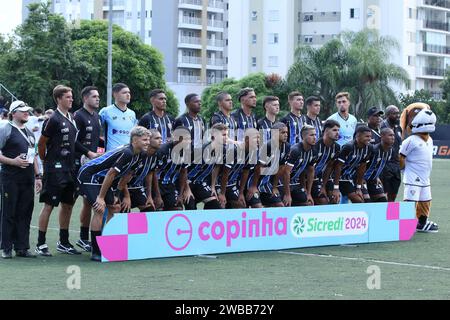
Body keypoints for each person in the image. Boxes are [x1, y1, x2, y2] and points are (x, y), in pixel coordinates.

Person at [77, 126, 151, 261]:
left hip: (104, 178)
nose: (148, 142)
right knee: (99, 209)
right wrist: (100, 197)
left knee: (115, 207)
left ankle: (108, 243)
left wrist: (117, 193)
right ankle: (96, 250)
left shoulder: (141, 154)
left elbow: (127, 176)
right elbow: (111, 174)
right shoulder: (127, 152)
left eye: (148, 139)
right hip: (90, 175)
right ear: (134, 140)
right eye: (145, 139)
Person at [36, 85, 79, 256]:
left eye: (71, 96)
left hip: (70, 168)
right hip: (55, 170)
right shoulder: (52, 119)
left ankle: (64, 242)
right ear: (59, 99)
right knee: (49, 205)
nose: (71, 99)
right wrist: (46, 161)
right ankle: (40, 243)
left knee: (68, 205)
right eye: (68, 97)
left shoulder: (71, 117)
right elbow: (41, 143)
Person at [0, 101, 41, 259]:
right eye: (23, 111)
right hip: (10, 178)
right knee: (8, 212)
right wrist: (13, 161)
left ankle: (22, 247)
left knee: (25, 212)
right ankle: (6, 247)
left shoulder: (30, 133)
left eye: (27, 111)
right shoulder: (5, 129)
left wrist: (38, 176)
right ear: (13, 113)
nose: (26, 113)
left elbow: (34, 156)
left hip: (27, 178)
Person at [72, 86, 103, 252]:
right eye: (94, 96)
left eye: (98, 96)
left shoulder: (96, 116)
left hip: (91, 165)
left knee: (88, 202)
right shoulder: (78, 116)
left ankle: (83, 238)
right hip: (78, 163)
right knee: (70, 202)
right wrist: (88, 152)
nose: (97, 99)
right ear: (85, 98)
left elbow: (97, 140)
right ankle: (67, 239)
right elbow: (73, 140)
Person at [400, 109, 438, 233]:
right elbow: (401, 157)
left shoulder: (430, 140)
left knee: (425, 201)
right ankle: (405, 225)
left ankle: (421, 223)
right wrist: (403, 169)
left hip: (425, 177)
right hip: (412, 177)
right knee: (411, 201)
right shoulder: (411, 140)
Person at [185, 123, 228, 210]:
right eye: (224, 135)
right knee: (190, 205)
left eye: (227, 135)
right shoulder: (200, 150)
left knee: (215, 205)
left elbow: (216, 167)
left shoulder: (223, 150)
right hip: (187, 183)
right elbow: (183, 169)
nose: (226, 137)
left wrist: (212, 186)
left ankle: (206, 222)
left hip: (201, 183)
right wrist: (187, 189)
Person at [118, 129, 162, 212]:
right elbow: (124, 176)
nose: (160, 140)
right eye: (157, 138)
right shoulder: (137, 154)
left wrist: (149, 196)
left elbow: (150, 174)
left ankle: (138, 225)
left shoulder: (156, 155)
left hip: (137, 187)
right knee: (125, 210)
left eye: (160, 138)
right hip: (124, 187)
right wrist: (126, 197)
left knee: (149, 209)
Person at [153, 127, 192, 211]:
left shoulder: (186, 152)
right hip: (156, 184)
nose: (188, 142)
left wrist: (180, 194)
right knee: (157, 208)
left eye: (189, 139)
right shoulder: (162, 150)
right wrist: (157, 195)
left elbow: (183, 172)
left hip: (170, 184)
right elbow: (154, 173)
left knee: (178, 208)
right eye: (184, 139)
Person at [219, 128, 259, 209]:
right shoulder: (234, 150)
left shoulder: (253, 152)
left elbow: (245, 172)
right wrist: (222, 194)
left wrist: (241, 193)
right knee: (220, 205)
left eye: (259, 138)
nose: (258, 141)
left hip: (232, 184)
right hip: (219, 184)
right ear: (247, 139)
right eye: (256, 138)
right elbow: (225, 173)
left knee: (241, 206)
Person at [334, 125, 373, 204]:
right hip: (341, 178)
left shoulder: (369, 148)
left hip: (352, 177)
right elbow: (338, 167)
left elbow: (362, 167)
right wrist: (336, 187)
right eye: (367, 136)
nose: (369, 139)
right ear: (358, 136)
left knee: (366, 200)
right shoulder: (348, 147)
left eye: (370, 136)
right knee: (358, 200)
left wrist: (358, 187)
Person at [282, 125, 317, 207]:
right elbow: (285, 173)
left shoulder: (314, 151)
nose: (315, 137)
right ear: (303, 137)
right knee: (285, 203)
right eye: (311, 135)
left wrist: (308, 193)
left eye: (315, 135)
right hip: (282, 182)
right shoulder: (295, 150)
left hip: (295, 182)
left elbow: (310, 172)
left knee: (308, 203)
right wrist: (287, 194)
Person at [257, 122, 290, 208]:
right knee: (257, 206)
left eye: (287, 132)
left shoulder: (287, 147)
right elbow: (258, 168)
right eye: (283, 132)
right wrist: (253, 186)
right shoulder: (267, 146)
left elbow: (281, 169)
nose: (286, 135)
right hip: (256, 181)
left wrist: (274, 187)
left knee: (280, 205)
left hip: (267, 182)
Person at [99, 83, 137, 152]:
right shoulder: (106, 111)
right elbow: (96, 129)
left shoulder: (132, 113)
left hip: (128, 153)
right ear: (115, 95)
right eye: (124, 93)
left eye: (129, 92)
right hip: (112, 154)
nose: (128, 95)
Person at [311, 120, 341, 205]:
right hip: (308, 177)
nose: (337, 133)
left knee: (334, 198)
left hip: (322, 177)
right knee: (323, 201)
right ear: (326, 131)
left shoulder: (337, 147)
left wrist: (323, 185)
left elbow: (329, 167)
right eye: (334, 130)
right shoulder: (315, 146)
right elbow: (309, 169)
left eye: (338, 130)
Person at [363, 128, 395, 202]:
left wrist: (377, 177)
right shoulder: (374, 150)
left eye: (393, 135)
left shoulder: (390, 150)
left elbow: (379, 166)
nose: (393, 137)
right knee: (366, 201)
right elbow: (362, 165)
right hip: (362, 179)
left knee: (383, 200)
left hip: (373, 180)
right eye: (390, 135)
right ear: (382, 136)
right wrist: (361, 178)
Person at [380, 105, 403, 202]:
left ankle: (392, 216)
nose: (397, 115)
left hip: (396, 165)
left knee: (393, 194)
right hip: (385, 164)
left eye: (398, 113)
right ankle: (381, 216)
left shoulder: (398, 128)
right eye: (394, 113)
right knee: (384, 194)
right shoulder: (382, 127)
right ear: (387, 115)